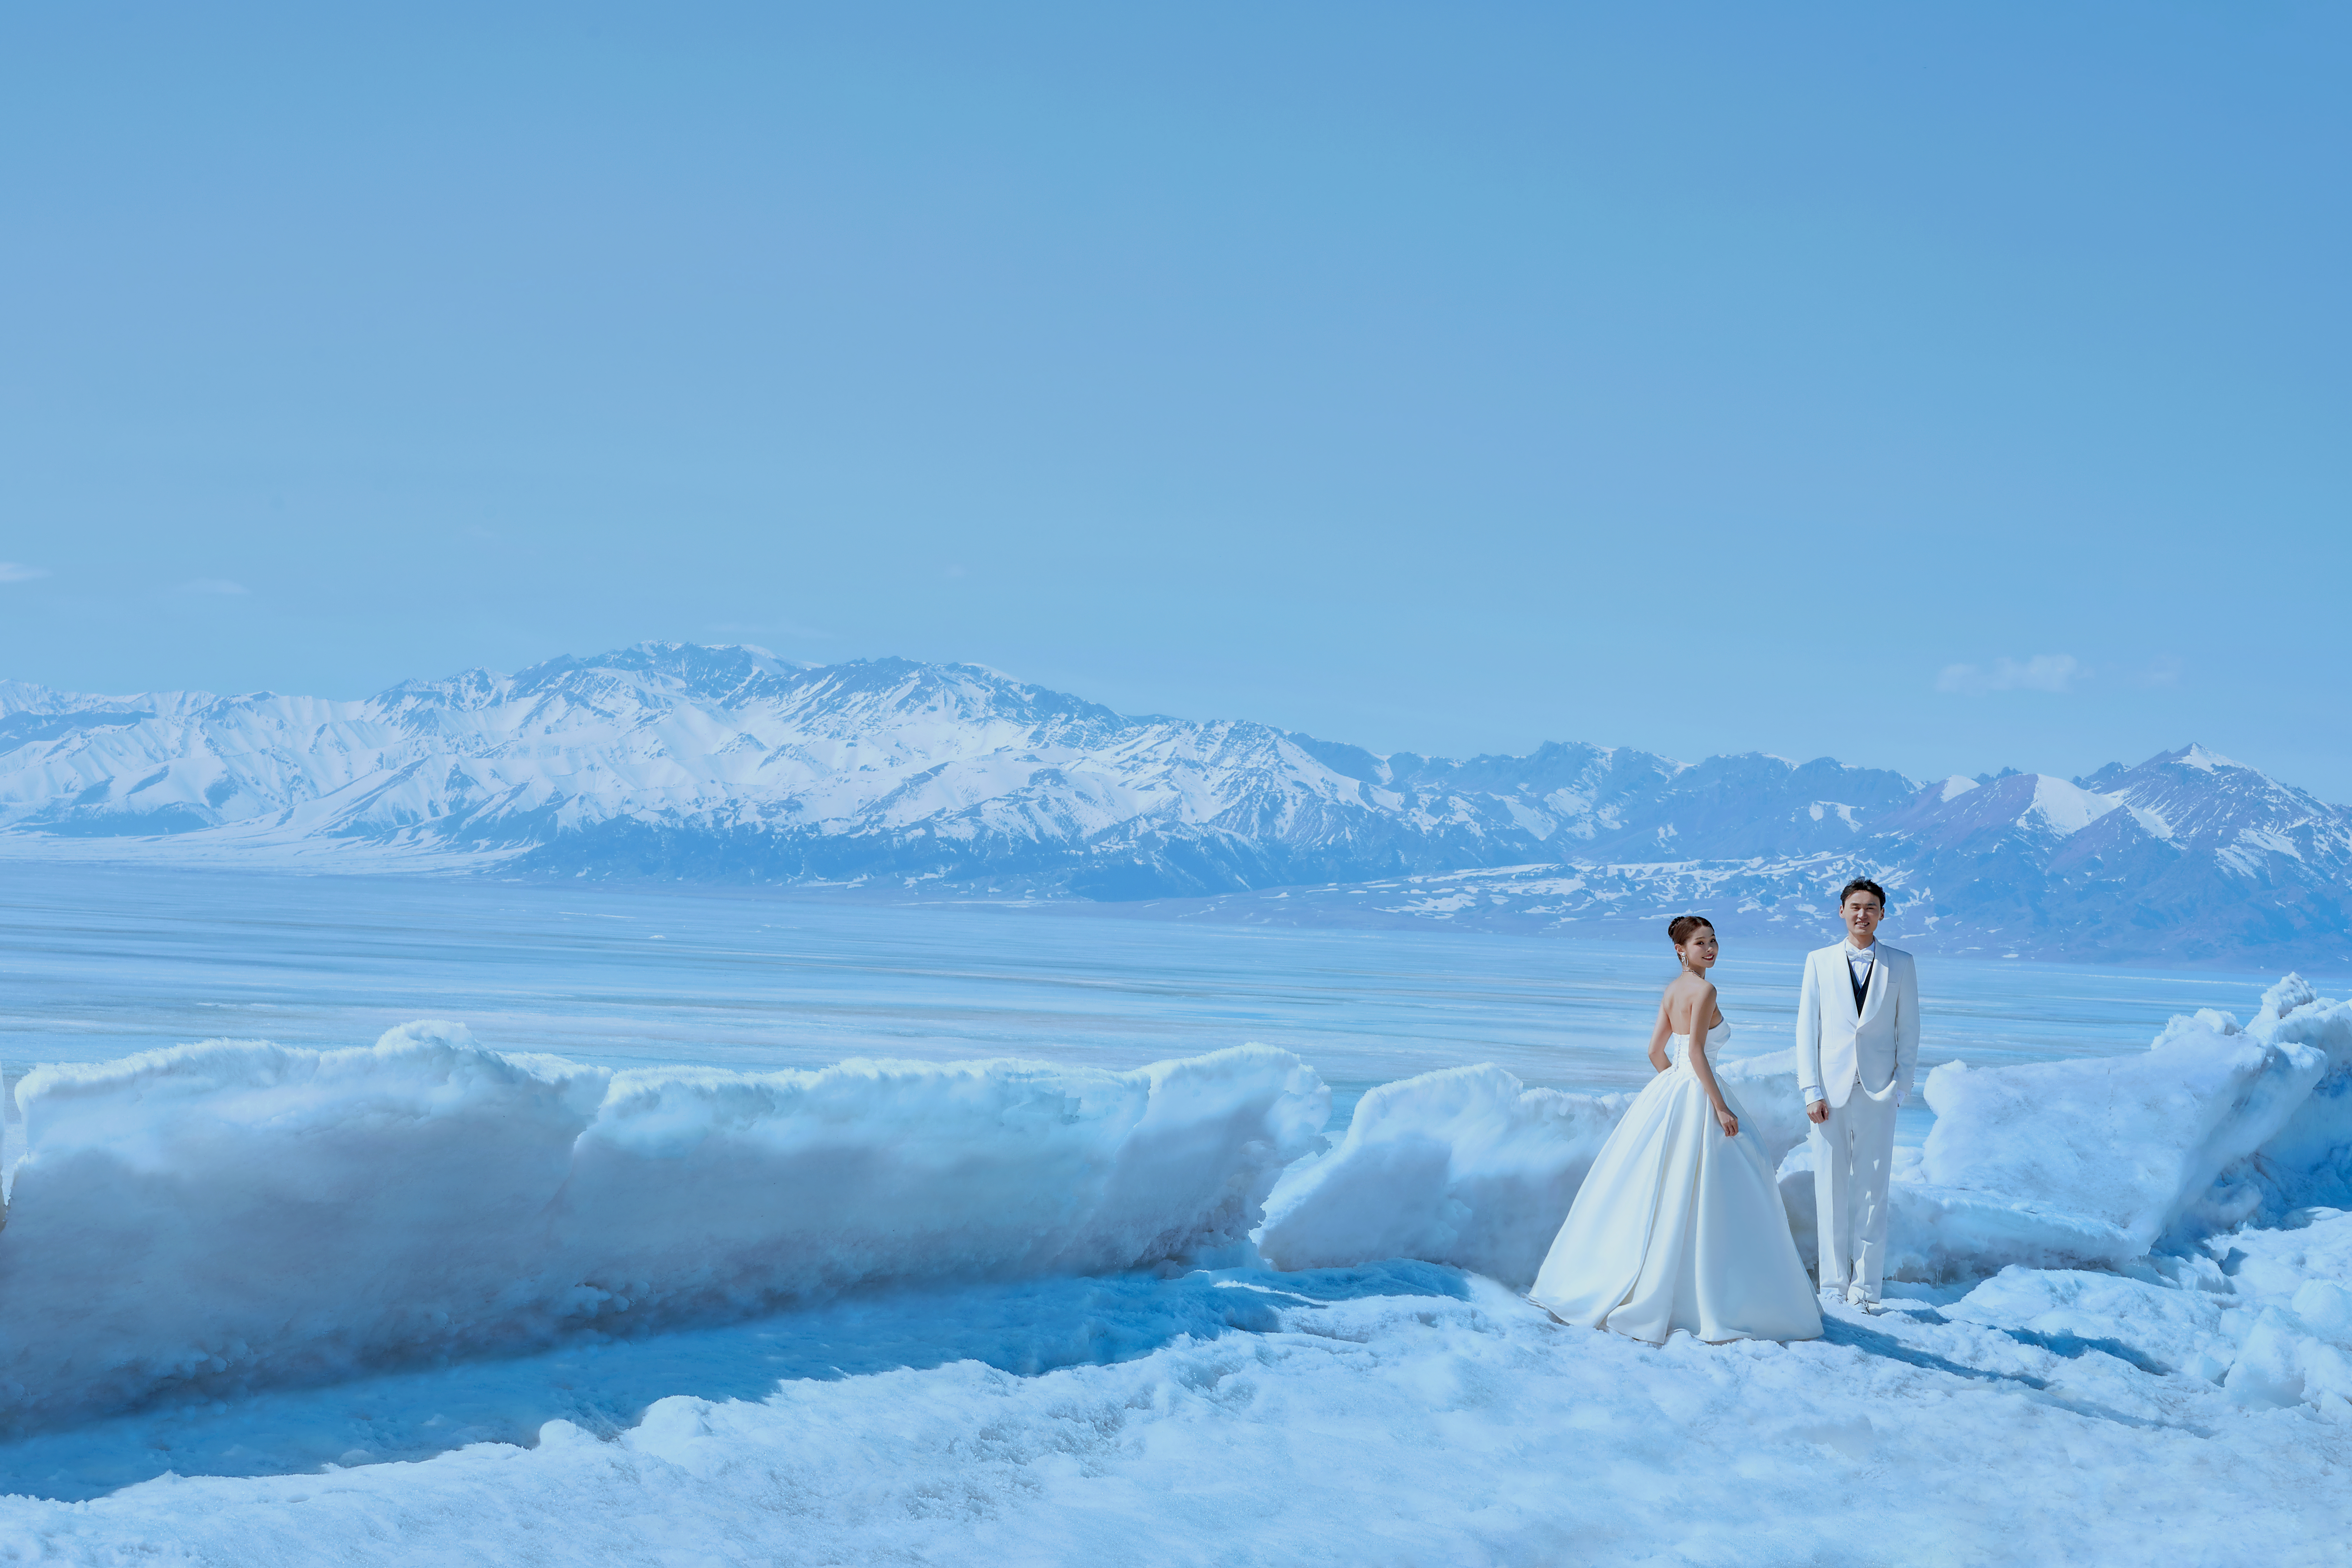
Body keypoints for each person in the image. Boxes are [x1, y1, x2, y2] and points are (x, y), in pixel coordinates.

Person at [1527, 915, 1822, 1344]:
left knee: (1662, 1185)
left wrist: (1673, 1087)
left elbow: (1654, 1052)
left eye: (1714, 941)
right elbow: (1699, 1054)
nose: (1710, 949)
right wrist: (1717, 1106)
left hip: (1672, 1089)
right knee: (1728, 1180)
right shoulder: (1705, 990)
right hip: (1700, 1088)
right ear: (1681, 949)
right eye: (1700, 943)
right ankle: (1715, 1297)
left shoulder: (1671, 990)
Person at [1795, 876, 1920, 1312]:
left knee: (1873, 1191)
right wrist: (1811, 1089)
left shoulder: (1901, 964)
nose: (1862, 913)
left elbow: (1910, 1030)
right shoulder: (1818, 961)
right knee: (1829, 1191)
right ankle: (1832, 1285)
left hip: (1879, 1092)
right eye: (1855, 906)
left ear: (1883, 913)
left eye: (1871, 907)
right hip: (1828, 1093)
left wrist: (1900, 1089)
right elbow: (1806, 1029)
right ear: (1842, 911)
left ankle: (1865, 1289)